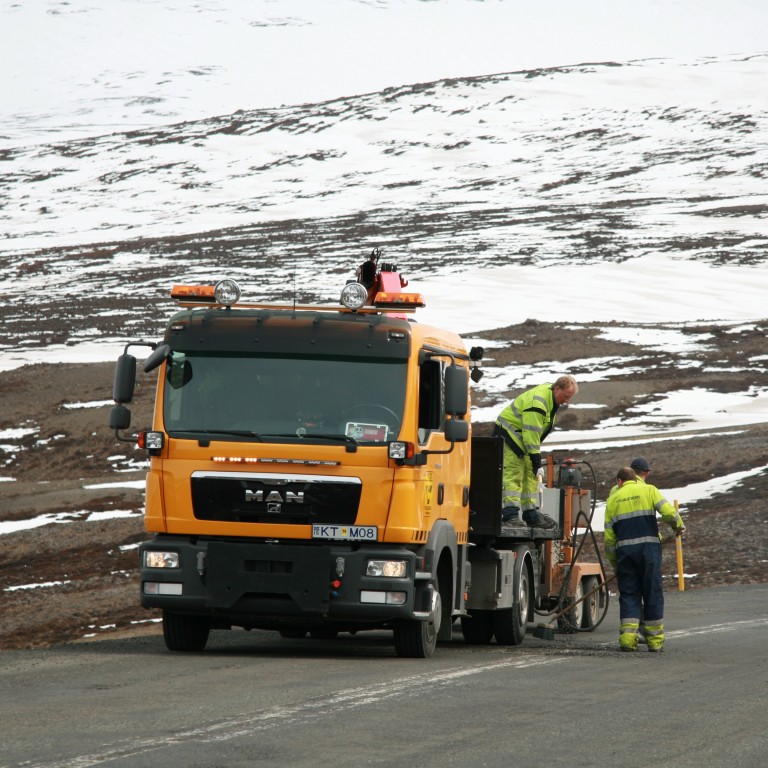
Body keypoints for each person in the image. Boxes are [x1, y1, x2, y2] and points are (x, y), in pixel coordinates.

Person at [604, 467, 686, 652]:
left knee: (629, 594)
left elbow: (609, 539)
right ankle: (655, 642)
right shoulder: (649, 490)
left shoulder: (612, 500)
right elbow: (669, 513)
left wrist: (615, 562)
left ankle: (627, 639)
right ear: (636, 478)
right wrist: (678, 526)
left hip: (625, 553)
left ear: (619, 482)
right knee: (652, 592)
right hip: (649, 551)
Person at [493, 375, 578, 529]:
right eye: (566, 396)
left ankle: (530, 513)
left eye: (570, 397)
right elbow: (531, 433)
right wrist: (536, 460)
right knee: (513, 474)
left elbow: (533, 435)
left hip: (523, 439)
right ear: (557, 388)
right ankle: (510, 515)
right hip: (511, 435)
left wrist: (534, 462)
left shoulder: (550, 396)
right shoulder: (538, 404)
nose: (567, 401)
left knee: (531, 476)